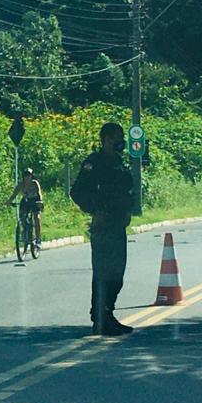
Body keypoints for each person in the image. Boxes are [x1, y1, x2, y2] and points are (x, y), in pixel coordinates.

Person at [69, 122, 134, 337]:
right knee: (103, 272)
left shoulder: (118, 163)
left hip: (118, 224)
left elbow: (126, 190)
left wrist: (128, 211)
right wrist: (94, 210)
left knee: (118, 273)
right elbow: (77, 191)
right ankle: (100, 316)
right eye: (116, 137)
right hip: (103, 224)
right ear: (105, 139)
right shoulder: (94, 163)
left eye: (121, 137)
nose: (120, 141)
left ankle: (108, 313)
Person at [6, 167, 43, 243]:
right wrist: (9, 201)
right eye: (26, 175)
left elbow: (39, 193)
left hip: (35, 200)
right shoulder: (21, 185)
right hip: (26, 201)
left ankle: (38, 238)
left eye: (29, 175)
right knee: (22, 216)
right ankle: (26, 232)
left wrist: (40, 201)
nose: (27, 177)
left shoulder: (35, 183)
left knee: (37, 218)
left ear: (31, 176)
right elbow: (14, 194)